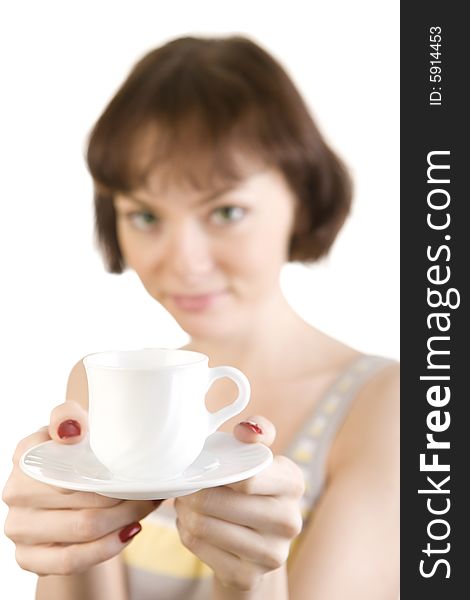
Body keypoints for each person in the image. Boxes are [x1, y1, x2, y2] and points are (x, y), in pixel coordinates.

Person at [2, 35, 399, 599]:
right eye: (143, 214)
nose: (184, 261)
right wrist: (66, 550)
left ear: (302, 199)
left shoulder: (392, 409)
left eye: (226, 211)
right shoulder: (99, 388)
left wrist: (254, 581)